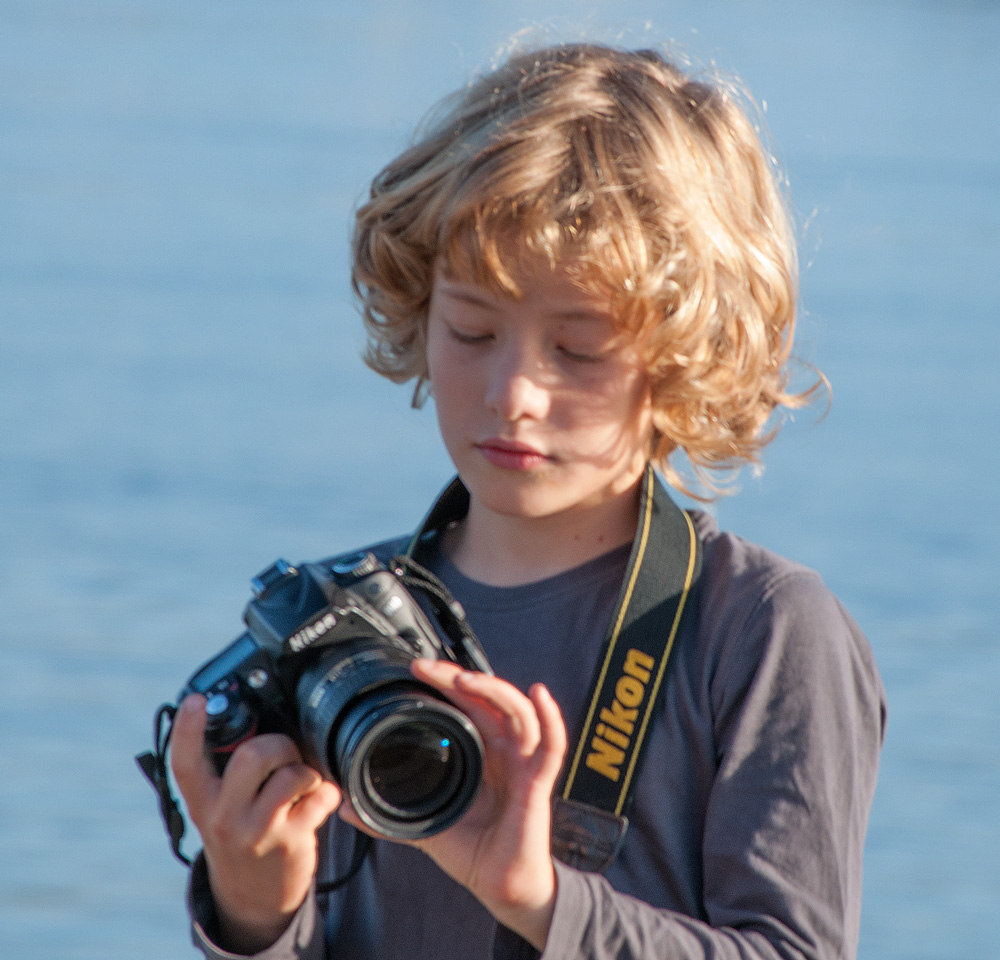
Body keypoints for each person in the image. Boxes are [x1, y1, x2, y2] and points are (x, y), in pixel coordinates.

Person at [169, 42, 886, 960]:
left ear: (684, 359)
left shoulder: (764, 631)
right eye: (471, 329)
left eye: (578, 350)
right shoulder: (351, 630)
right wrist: (252, 908)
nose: (513, 393)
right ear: (421, 314)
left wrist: (544, 902)